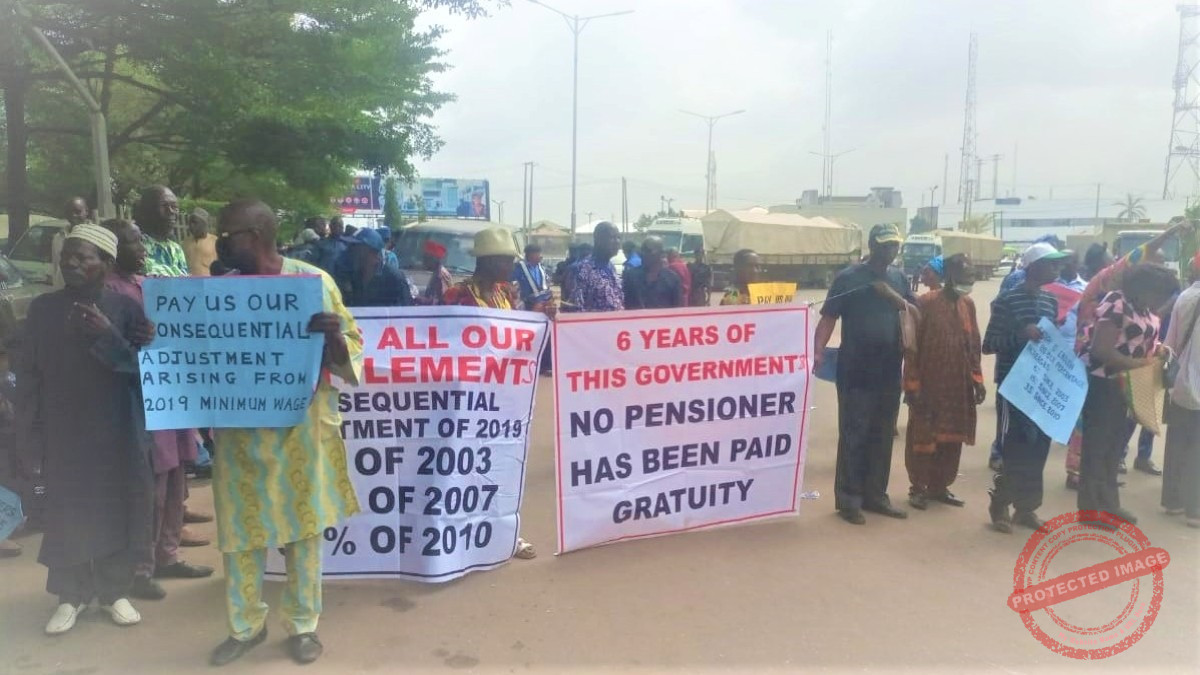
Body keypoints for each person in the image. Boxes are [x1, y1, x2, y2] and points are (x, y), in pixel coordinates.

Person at [208, 199, 363, 667]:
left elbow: (353, 352)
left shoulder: (313, 284)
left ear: (255, 235)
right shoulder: (215, 292)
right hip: (239, 434)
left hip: (301, 433)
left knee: (304, 532)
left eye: (227, 235)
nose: (218, 244)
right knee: (241, 533)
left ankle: (303, 625)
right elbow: (191, 351)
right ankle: (245, 627)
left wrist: (332, 337)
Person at [15, 224, 153, 634]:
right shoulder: (43, 309)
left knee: (117, 504)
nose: (71, 263)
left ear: (106, 263)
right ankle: (70, 595)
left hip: (117, 427)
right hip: (63, 428)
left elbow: (143, 371)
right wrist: (28, 431)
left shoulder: (127, 309)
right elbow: (28, 372)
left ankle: (113, 591)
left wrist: (108, 335)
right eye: (67, 257)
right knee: (68, 509)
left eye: (83, 257)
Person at [99, 218, 213, 600]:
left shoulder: (150, 284)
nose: (142, 248)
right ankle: (140, 567)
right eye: (134, 242)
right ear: (114, 249)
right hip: (141, 399)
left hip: (171, 391)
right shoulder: (107, 292)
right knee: (152, 486)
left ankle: (168, 554)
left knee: (177, 478)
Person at [443, 228, 552, 559]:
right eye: (505, 261)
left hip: (504, 396)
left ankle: (505, 532)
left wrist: (540, 319)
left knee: (502, 464)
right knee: (466, 466)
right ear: (487, 261)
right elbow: (446, 343)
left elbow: (516, 336)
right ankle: (463, 530)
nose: (510, 266)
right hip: (469, 397)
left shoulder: (504, 293)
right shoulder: (458, 296)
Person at [813, 224, 914, 525]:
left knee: (882, 434)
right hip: (856, 368)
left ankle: (876, 496)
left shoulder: (899, 278)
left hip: (889, 367)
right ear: (872, 245)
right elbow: (828, 317)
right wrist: (817, 351)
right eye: (884, 245)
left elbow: (912, 313)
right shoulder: (848, 278)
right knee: (854, 434)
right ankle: (849, 500)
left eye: (894, 245)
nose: (890, 250)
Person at [1078, 264, 1179, 525]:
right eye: (1159, 294)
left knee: (1115, 447)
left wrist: (1158, 351)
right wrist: (1139, 364)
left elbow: (1141, 341)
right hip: (1105, 384)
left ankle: (1109, 505)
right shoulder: (1117, 303)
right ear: (1143, 287)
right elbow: (1101, 350)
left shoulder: (1144, 308)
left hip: (1129, 386)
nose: (1162, 300)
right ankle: (1090, 510)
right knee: (1097, 448)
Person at [982, 242, 1066, 533]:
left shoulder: (1050, 301)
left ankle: (1026, 508)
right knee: (1015, 446)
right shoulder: (1007, 300)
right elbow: (989, 344)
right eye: (1051, 263)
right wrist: (1021, 335)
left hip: (1039, 387)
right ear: (1033, 267)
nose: (1057, 268)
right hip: (1013, 386)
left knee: (1038, 446)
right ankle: (1000, 504)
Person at [903, 254, 984, 510]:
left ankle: (940, 487)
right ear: (949, 276)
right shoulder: (925, 303)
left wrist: (977, 379)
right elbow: (911, 347)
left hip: (958, 385)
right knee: (924, 437)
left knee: (951, 439)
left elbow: (973, 344)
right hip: (928, 384)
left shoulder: (967, 304)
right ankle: (918, 488)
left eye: (971, 278)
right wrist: (912, 384)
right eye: (964, 278)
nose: (968, 282)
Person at [1163, 253, 1200, 527]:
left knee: (1177, 443)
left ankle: (1173, 501)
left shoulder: (1184, 297)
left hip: (1180, 383)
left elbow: (1170, 344)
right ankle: (1195, 510)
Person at [341, 228, 413, 307]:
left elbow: (405, 310)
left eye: (355, 247)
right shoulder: (353, 277)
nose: (350, 251)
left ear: (371, 251)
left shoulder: (395, 278)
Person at [566, 223, 623, 312]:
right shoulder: (582, 269)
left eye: (618, 237)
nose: (617, 242)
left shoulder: (611, 267)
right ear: (598, 239)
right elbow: (575, 307)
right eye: (612, 238)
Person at [623, 237, 685, 309]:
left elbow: (677, 308)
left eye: (648, 251)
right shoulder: (631, 276)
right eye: (642, 250)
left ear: (661, 254)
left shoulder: (672, 279)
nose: (643, 254)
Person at [50, 196, 92, 288]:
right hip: (62, 291)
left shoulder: (96, 236)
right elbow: (55, 267)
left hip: (86, 291)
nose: (73, 215)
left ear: (86, 212)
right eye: (69, 212)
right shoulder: (58, 237)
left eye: (77, 212)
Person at [512, 243, 549, 310]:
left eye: (540, 253)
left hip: (542, 304)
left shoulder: (542, 268)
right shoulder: (518, 268)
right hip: (526, 306)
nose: (540, 256)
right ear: (530, 255)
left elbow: (546, 285)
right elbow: (514, 288)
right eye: (537, 254)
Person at [182, 208, 218, 277]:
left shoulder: (215, 241)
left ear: (204, 223)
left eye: (194, 222)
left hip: (209, 282)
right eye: (189, 223)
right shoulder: (185, 242)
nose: (191, 226)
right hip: (189, 282)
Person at [417, 240, 452, 305]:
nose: (423, 261)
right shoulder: (436, 272)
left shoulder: (441, 275)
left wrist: (422, 300)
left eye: (426, 258)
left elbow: (442, 301)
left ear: (434, 259)